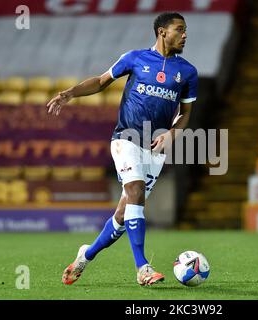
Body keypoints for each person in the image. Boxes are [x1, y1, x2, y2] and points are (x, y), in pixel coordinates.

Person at [46, 12, 198, 286]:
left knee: (122, 215)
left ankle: (86, 255)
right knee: (136, 191)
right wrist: (71, 92)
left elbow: (185, 113)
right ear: (162, 32)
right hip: (125, 139)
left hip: (155, 149)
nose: (185, 35)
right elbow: (102, 81)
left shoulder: (187, 72)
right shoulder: (135, 58)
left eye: (185, 30)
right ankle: (143, 268)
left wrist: (172, 134)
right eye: (180, 29)